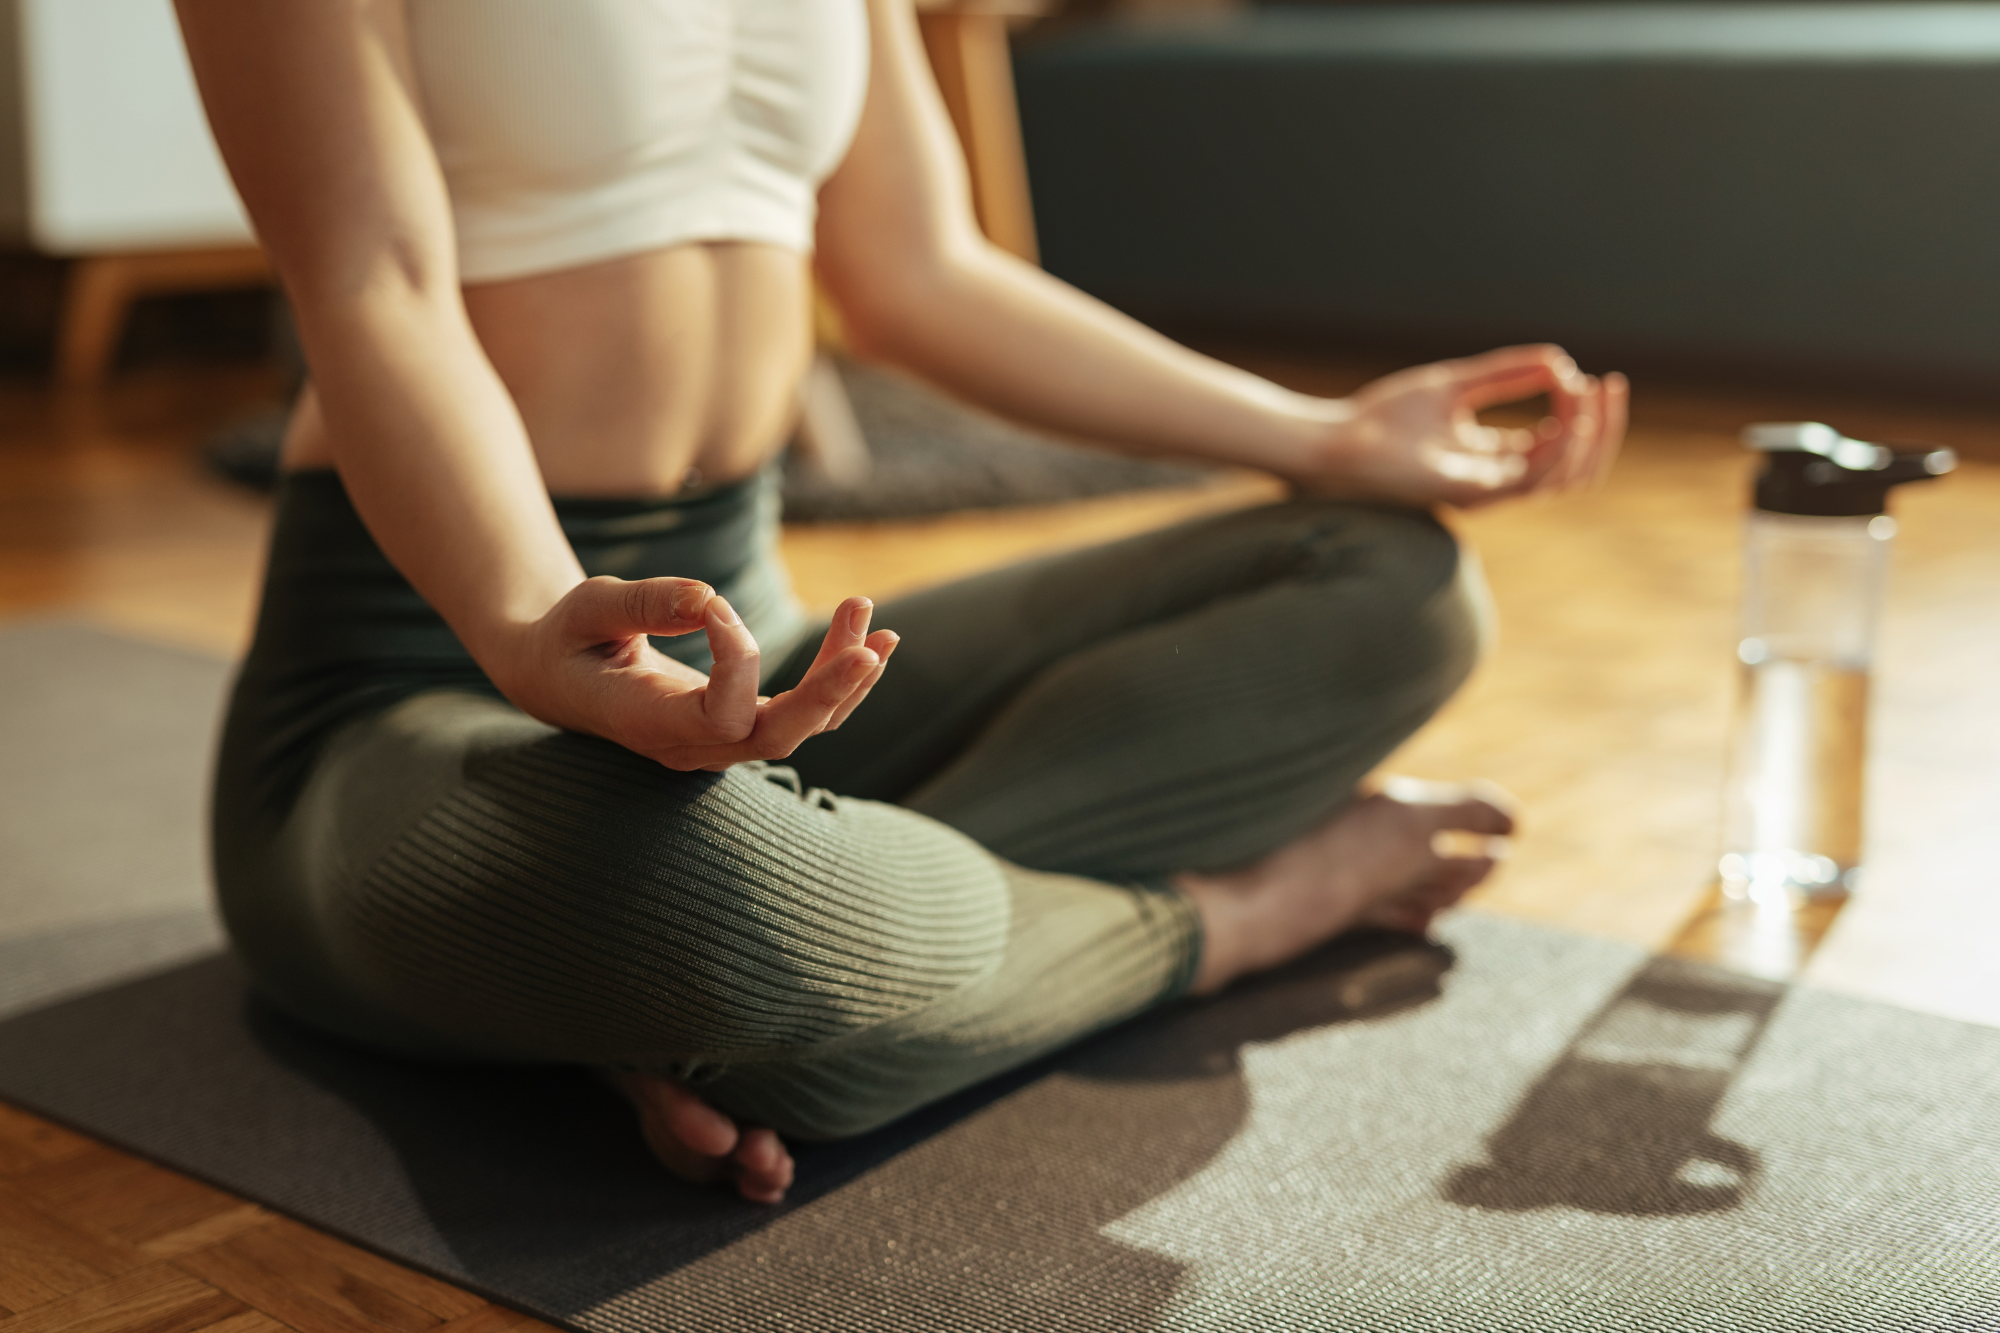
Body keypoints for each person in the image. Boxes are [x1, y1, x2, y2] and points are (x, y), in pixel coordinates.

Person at [177, 0, 1626, 1205]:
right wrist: (529, 625)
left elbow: (918, 271)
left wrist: (1321, 436)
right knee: (709, 903)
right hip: (422, 679)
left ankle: (734, 1006)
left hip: (745, 651)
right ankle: (1233, 916)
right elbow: (374, 284)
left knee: (1388, 578)